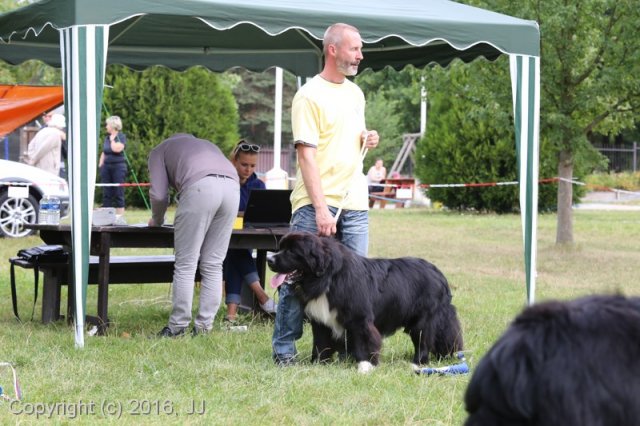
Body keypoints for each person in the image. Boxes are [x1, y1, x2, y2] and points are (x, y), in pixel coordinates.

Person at [271, 23, 380, 365]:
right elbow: (307, 155)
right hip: (317, 204)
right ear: (333, 50)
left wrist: (368, 138)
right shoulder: (308, 95)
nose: (360, 55)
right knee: (295, 280)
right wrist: (320, 209)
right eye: (354, 49)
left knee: (355, 284)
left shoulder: (356, 93)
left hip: (355, 202)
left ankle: (350, 350)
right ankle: (285, 350)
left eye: (360, 49)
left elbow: (350, 138)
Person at [148, 133, 240, 337]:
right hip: (233, 188)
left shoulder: (159, 151)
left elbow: (159, 195)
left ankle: (177, 327)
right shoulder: (207, 143)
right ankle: (204, 327)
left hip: (200, 187)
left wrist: (157, 220)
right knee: (214, 263)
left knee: (186, 263)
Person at [223, 140, 278, 324]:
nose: (248, 169)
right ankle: (262, 297)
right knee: (235, 251)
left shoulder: (259, 185)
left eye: (253, 166)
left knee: (236, 252)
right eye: (244, 165)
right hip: (221, 238)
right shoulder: (225, 182)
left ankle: (231, 314)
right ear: (234, 161)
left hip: (245, 239)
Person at [98, 116, 127, 218]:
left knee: (118, 192)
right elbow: (104, 151)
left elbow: (116, 149)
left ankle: (119, 217)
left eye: (107, 124)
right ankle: (106, 217)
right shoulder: (106, 138)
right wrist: (100, 164)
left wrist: (112, 140)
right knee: (107, 192)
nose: (106, 126)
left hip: (118, 167)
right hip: (106, 168)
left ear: (113, 125)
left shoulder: (121, 137)